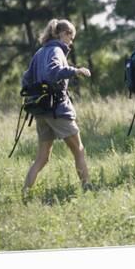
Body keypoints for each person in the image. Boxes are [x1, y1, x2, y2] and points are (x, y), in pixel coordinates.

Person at [21, 19, 93, 195]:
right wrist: (74, 70)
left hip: (41, 112)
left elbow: (26, 78)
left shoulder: (39, 52)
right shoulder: (56, 50)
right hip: (58, 110)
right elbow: (53, 73)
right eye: (71, 36)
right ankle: (88, 189)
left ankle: (24, 192)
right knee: (79, 150)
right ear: (63, 33)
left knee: (42, 157)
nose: (71, 41)